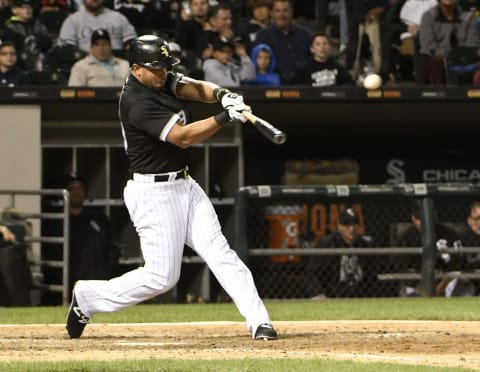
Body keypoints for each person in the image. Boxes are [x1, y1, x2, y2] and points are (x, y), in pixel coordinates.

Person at [66, 34, 277, 341]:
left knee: (220, 252)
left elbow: (193, 87)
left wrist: (222, 94)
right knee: (161, 278)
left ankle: (259, 322)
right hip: (153, 194)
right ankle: (88, 296)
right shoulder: (136, 101)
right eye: (156, 68)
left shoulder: (157, 79)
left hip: (184, 184)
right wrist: (223, 117)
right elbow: (183, 137)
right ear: (136, 68)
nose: (163, 73)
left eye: (165, 67)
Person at [305, 208, 379, 299]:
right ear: (339, 226)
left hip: (359, 297)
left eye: (354, 224)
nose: (351, 229)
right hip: (332, 296)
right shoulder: (328, 243)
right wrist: (317, 292)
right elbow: (311, 272)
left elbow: (372, 275)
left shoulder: (364, 244)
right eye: (347, 225)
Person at [393, 201, 460, 296]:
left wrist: (440, 287)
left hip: (445, 282)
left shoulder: (448, 233)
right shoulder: (405, 237)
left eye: (428, 219)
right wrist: (423, 290)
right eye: (420, 220)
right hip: (416, 284)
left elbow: (456, 265)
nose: (425, 223)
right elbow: (400, 267)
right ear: (413, 218)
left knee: (458, 281)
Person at [419, 0, 480, 84]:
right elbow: (428, 47)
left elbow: (472, 47)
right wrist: (449, 56)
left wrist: (456, 57)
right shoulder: (428, 17)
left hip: (465, 63)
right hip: (439, 64)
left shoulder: (469, 18)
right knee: (435, 63)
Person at [253, 0, 312, 84]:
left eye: (285, 11)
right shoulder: (263, 36)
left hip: (302, 86)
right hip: (273, 87)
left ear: (292, 12)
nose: (281, 15)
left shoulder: (305, 34)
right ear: (272, 13)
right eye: (278, 11)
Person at [58, 0, 137, 53]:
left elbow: (132, 42)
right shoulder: (72, 20)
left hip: (118, 64)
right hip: (86, 65)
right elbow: (66, 49)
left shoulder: (118, 17)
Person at [1, 0, 53, 71]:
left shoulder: (38, 24)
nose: (27, 9)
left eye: (30, 7)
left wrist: (36, 40)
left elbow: (48, 41)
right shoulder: (8, 26)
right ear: (14, 10)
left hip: (40, 58)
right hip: (19, 63)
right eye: (23, 7)